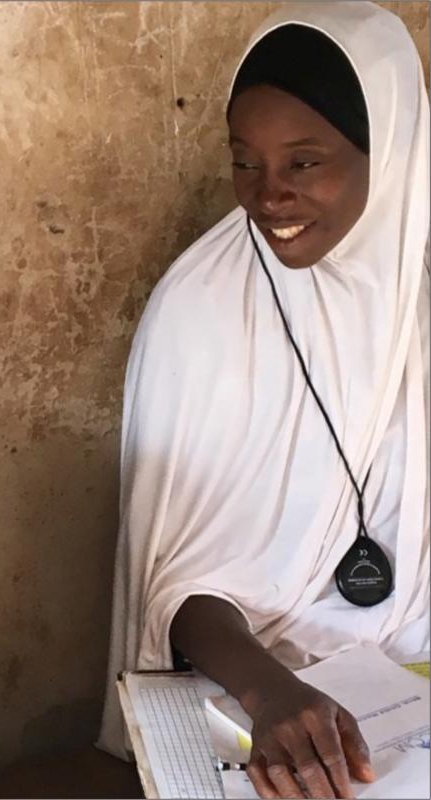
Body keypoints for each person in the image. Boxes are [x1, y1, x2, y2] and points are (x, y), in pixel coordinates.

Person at [98, 3, 428, 799]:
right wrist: (269, 691)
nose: (266, 195)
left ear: (388, 152)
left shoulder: (416, 300)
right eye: (244, 161)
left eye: (304, 163)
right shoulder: (200, 309)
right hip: (242, 690)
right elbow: (168, 581)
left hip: (409, 689)